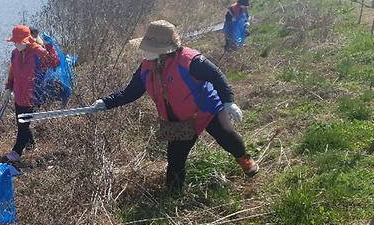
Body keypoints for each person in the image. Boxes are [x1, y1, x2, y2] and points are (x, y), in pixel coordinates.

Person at [91, 20, 258, 192]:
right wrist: (106, 102)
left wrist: (228, 101)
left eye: (149, 47)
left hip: (207, 108)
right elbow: (131, 92)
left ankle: (245, 161)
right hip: (177, 118)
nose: (144, 50)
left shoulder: (190, 61)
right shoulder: (146, 66)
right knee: (175, 159)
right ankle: (173, 194)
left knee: (228, 137)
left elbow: (216, 76)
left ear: (164, 49)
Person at [4, 24, 59, 162]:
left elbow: (54, 63)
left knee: (23, 124)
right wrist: (8, 87)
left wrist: (50, 46)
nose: (16, 44)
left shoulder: (38, 52)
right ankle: (31, 145)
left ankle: (17, 152)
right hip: (18, 95)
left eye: (19, 42)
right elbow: (12, 72)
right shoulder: (14, 54)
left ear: (27, 40)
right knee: (20, 122)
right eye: (14, 42)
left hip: (32, 95)